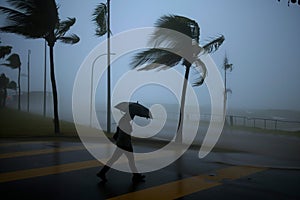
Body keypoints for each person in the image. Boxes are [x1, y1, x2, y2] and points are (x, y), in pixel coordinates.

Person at [97, 111, 145, 183]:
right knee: (130, 161)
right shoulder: (125, 123)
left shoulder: (122, 121)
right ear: (129, 116)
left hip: (121, 144)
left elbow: (119, 131)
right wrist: (130, 129)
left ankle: (102, 172)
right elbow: (125, 133)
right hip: (125, 145)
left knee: (115, 159)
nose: (132, 118)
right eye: (131, 116)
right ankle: (136, 176)